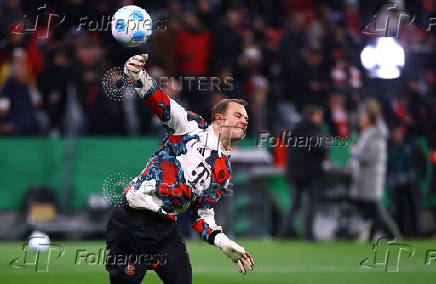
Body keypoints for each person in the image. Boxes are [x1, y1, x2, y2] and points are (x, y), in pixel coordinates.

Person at [105, 54, 254, 284]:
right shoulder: (192, 126)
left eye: (246, 118)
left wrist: (223, 242)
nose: (245, 121)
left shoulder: (223, 172)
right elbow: (160, 101)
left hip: (165, 231)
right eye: (238, 115)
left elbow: (201, 214)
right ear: (218, 119)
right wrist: (137, 75)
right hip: (131, 219)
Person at [351, 99, 401, 242]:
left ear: (370, 117)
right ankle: (374, 233)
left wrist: (355, 152)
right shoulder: (368, 133)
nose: (361, 118)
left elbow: (369, 156)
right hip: (365, 176)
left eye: (363, 115)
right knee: (369, 207)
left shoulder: (375, 134)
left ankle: (390, 235)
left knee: (374, 209)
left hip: (371, 176)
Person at [278, 105, 326, 240]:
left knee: (294, 204)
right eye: (318, 115)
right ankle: (308, 235)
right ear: (312, 116)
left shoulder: (296, 130)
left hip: (294, 174)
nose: (321, 118)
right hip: (311, 173)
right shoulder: (313, 130)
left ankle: (282, 234)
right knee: (311, 205)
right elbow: (322, 149)